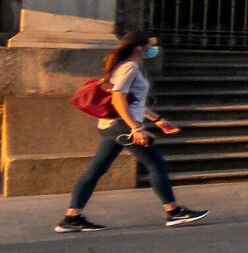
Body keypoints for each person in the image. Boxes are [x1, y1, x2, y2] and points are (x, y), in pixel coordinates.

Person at [56, 29, 207, 231]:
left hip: (112, 125)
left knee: (96, 170)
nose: (153, 48)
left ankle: (72, 218)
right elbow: (118, 98)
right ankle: (174, 212)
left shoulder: (130, 67)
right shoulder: (129, 68)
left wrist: (158, 119)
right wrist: (136, 128)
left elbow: (133, 101)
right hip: (121, 125)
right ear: (139, 46)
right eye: (150, 45)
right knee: (157, 165)